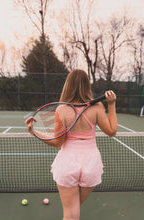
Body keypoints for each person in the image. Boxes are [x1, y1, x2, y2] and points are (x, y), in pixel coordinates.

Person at [25, 69, 117, 220]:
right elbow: (112, 131)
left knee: (70, 215)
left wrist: (34, 132)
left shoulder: (62, 110)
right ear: (87, 85)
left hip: (68, 164)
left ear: (67, 85)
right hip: (91, 164)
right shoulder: (97, 108)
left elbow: (57, 143)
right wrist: (111, 104)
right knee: (73, 212)